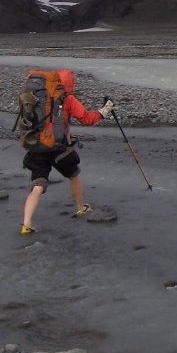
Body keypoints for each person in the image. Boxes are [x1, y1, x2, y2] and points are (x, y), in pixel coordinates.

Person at [20, 69, 114, 235]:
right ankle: (80, 207)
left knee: (38, 184)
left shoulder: (37, 98)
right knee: (73, 175)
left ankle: (26, 223)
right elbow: (87, 119)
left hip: (37, 146)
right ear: (70, 83)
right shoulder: (67, 99)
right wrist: (103, 112)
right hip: (59, 148)